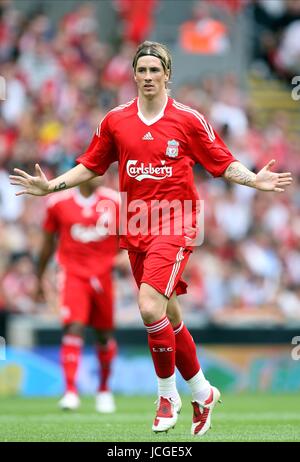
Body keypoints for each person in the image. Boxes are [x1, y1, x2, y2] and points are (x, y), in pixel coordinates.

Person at [10, 41, 293, 436]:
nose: (147, 77)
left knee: (147, 306)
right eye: (141, 70)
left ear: (167, 74)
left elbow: (221, 161)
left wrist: (253, 179)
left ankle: (166, 395)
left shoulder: (188, 119)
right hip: (137, 226)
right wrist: (52, 186)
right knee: (169, 316)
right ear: (133, 74)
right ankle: (201, 390)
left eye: (154, 71)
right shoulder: (115, 120)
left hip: (177, 224)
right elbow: (91, 164)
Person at [36, 178, 120, 413]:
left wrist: (120, 261)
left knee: (104, 335)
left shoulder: (114, 202)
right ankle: (70, 390)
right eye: (96, 171)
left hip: (103, 277)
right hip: (72, 274)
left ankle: (104, 389)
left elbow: (127, 241)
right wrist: (39, 277)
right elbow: (47, 243)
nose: (101, 176)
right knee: (73, 326)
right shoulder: (58, 203)